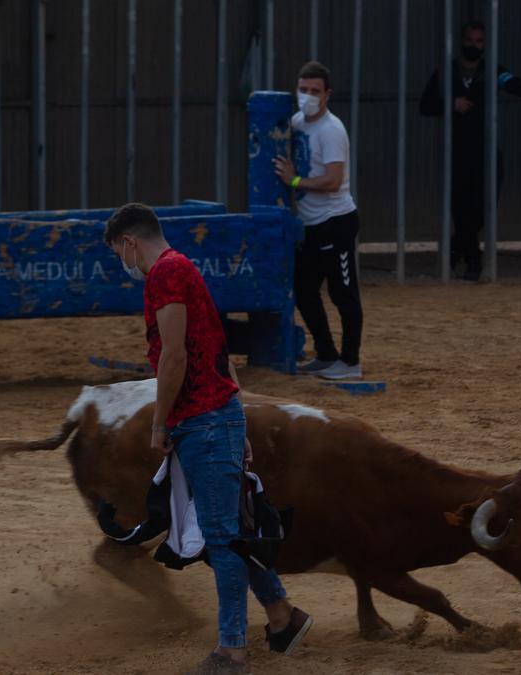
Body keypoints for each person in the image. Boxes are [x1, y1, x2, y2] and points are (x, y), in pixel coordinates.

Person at [104, 203, 313, 674]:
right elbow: (218, 351)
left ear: (130, 242)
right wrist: (235, 420)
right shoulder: (182, 270)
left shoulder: (166, 274)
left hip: (203, 421)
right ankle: (282, 616)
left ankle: (232, 650)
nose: (124, 261)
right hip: (215, 418)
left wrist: (160, 423)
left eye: (120, 251)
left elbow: (174, 357)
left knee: (223, 538)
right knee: (231, 532)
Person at [419, 20, 521, 281]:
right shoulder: (446, 71)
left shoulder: (491, 70)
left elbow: (514, 84)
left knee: (482, 210)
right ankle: (473, 262)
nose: (473, 45)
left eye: (479, 41)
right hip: (455, 152)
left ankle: (455, 251)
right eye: (470, 40)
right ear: (461, 41)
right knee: (460, 209)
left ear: (485, 44)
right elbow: (426, 104)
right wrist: (451, 103)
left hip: (485, 152)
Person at [272, 61, 364, 380]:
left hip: (336, 221)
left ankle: (350, 362)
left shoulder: (331, 130)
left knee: (343, 292)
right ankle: (326, 353)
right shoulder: (297, 122)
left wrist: (295, 182)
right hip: (312, 224)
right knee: (304, 288)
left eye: (315, 91)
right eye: (303, 90)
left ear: (327, 95)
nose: (308, 96)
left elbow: (333, 180)